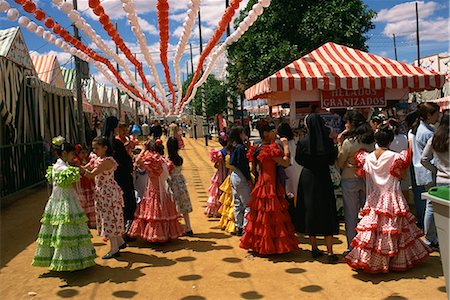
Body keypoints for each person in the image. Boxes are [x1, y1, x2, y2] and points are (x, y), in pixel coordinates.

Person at [345, 124, 430, 273]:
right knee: (394, 230)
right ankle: (394, 260)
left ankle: (370, 259)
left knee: (373, 231)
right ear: (390, 141)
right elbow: (402, 176)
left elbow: (365, 174)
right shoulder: (396, 157)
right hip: (392, 195)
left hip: (374, 197)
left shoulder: (367, 157)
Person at [32, 137, 96, 270]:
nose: (74, 156)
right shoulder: (62, 167)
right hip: (65, 201)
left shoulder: (60, 166)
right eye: (72, 154)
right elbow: (71, 180)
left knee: (64, 229)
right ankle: (67, 260)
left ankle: (71, 259)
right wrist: (80, 169)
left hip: (61, 199)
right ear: (64, 153)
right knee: (65, 229)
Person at [240, 121, 298, 255]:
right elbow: (286, 163)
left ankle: (259, 244)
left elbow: (253, 170)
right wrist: (285, 146)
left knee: (261, 214)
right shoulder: (270, 149)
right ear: (266, 133)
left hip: (261, 183)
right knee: (274, 214)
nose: (275, 133)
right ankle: (274, 246)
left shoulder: (256, 148)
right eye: (272, 131)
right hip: (271, 184)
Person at [295, 114, 339, 263]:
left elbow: (298, 159)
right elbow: (333, 159)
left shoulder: (302, 142)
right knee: (327, 211)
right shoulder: (327, 142)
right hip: (323, 177)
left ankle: (314, 248)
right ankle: (330, 251)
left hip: (308, 177)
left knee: (310, 209)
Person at [128, 140, 184, 242]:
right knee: (163, 209)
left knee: (153, 211)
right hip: (161, 188)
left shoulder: (148, 159)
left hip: (151, 189)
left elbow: (137, 161)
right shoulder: (163, 161)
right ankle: (166, 234)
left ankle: (155, 234)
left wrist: (143, 150)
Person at [337, 111, 375, 254]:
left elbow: (341, 162)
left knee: (351, 215)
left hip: (349, 178)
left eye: (347, 122)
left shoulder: (349, 142)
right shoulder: (370, 141)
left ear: (352, 124)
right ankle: (368, 243)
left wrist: (339, 145)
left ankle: (352, 246)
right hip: (366, 179)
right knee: (368, 214)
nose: (345, 124)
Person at [82, 137, 126, 259]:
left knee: (109, 219)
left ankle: (114, 248)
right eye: (94, 148)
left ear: (105, 148)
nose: (94, 150)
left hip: (108, 193)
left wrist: (79, 169)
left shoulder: (107, 161)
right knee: (108, 217)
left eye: (97, 148)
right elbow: (88, 168)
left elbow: (91, 174)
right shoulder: (99, 159)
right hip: (103, 192)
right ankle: (120, 242)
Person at [411, 102, 440, 249]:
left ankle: (430, 236)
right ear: (429, 115)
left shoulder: (423, 129)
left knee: (430, 204)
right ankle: (430, 237)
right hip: (429, 171)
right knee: (431, 204)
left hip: (424, 171)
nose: (438, 116)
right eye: (436, 113)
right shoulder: (427, 132)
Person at [103, 116, 137, 237]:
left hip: (109, 178)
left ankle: (117, 234)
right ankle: (126, 232)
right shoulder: (115, 142)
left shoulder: (104, 141)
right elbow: (126, 160)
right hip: (122, 176)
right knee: (126, 203)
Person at [167, 137, 194, 236]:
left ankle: (176, 228)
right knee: (184, 205)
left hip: (172, 182)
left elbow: (167, 173)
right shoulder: (179, 158)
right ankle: (188, 227)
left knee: (174, 205)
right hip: (181, 181)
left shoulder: (168, 159)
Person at [228, 126, 252, 237]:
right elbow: (244, 166)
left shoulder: (234, 147)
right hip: (240, 176)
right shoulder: (240, 148)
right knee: (248, 204)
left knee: (237, 203)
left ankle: (239, 227)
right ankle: (246, 228)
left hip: (233, 175)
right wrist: (248, 178)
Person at [277, 122, 302, 206]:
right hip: (297, 167)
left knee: (288, 193)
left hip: (287, 169)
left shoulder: (282, 143)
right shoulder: (295, 141)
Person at [72, 145, 96, 228]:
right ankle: (84, 223)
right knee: (83, 202)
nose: (84, 154)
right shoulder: (76, 161)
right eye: (82, 152)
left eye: (85, 152)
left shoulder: (88, 159)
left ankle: (92, 222)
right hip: (81, 184)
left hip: (89, 183)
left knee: (91, 201)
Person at [205, 132, 229, 218]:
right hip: (228, 173)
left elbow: (216, 166)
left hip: (220, 174)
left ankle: (215, 211)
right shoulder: (229, 152)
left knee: (217, 193)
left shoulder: (219, 153)